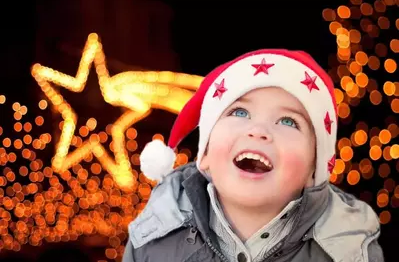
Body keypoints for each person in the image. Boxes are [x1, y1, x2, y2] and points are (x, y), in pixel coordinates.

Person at [122, 49, 384, 262]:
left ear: (314, 172)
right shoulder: (153, 238)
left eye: (288, 121)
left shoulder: (350, 251)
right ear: (205, 156)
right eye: (239, 112)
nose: (258, 131)